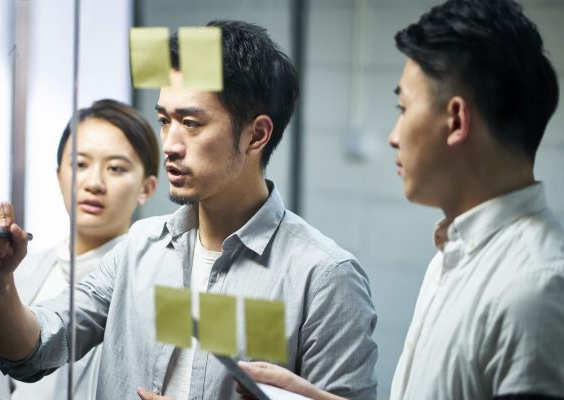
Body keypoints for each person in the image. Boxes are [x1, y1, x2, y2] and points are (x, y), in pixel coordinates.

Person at [0, 20, 378, 400]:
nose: (169, 145)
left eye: (192, 124)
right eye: (165, 120)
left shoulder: (323, 277)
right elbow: (33, 350)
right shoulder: (141, 247)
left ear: (257, 135)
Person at [237, 0, 564, 399]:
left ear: (457, 120)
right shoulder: (458, 252)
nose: (394, 135)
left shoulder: (535, 288)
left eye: (403, 108)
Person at [8, 99, 158, 399]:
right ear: (58, 174)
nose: (94, 182)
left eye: (115, 168)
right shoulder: (19, 272)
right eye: (79, 164)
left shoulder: (154, 281)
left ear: (146, 188)